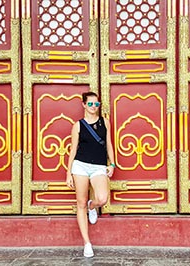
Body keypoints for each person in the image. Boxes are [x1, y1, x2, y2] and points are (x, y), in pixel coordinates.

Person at [66, 91, 116, 258]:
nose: (93, 107)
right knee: (79, 203)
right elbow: (73, 150)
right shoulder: (78, 125)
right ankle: (87, 243)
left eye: (96, 104)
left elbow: (109, 144)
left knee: (102, 198)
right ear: (84, 105)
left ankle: (92, 205)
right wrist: (68, 173)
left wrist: (112, 163)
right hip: (80, 166)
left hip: (98, 167)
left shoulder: (105, 122)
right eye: (90, 104)